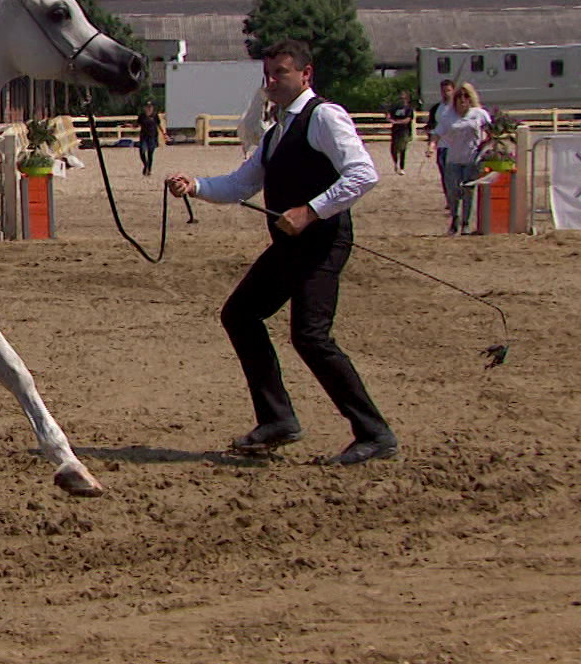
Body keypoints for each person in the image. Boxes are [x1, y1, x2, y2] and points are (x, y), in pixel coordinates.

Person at [164, 39, 397, 466]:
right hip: (289, 245)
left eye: (281, 73)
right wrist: (194, 186)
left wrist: (311, 211)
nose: (270, 81)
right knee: (240, 314)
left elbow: (364, 173)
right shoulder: (276, 134)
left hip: (323, 242)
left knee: (310, 335)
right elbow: (239, 185)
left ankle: (374, 432)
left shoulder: (324, 117)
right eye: (267, 74)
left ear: (305, 75)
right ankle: (277, 420)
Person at [438, 83, 492, 236]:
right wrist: (431, 145)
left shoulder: (479, 114)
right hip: (453, 158)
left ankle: (466, 223)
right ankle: (455, 218)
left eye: (466, 96)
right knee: (453, 191)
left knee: (468, 191)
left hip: (471, 158)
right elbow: (439, 131)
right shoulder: (448, 115)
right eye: (459, 96)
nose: (463, 100)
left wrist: (484, 147)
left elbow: (491, 132)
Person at [424, 79, 457, 203]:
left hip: (456, 146)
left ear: (453, 90)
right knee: (445, 175)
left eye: (448, 90)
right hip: (442, 146)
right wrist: (431, 145)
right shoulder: (437, 108)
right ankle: (449, 199)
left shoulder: (457, 107)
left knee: (455, 175)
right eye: (444, 91)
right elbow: (432, 126)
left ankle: (456, 198)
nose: (446, 93)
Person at [386, 90, 414, 175]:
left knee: (402, 148)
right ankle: (395, 163)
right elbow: (388, 115)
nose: (402, 99)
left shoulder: (409, 109)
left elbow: (407, 120)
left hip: (404, 131)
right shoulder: (395, 108)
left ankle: (402, 167)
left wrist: (397, 122)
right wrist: (390, 119)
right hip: (395, 130)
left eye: (404, 97)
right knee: (393, 149)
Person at [134, 101, 163, 177]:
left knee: (150, 154)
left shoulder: (155, 115)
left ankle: (149, 169)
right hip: (144, 137)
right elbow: (137, 124)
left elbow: (159, 125)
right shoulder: (142, 116)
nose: (149, 108)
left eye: (150, 106)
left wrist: (164, 133)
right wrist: (130, 125)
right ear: (145, 108)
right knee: (142, 152)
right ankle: (145, 165)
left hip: (152, 137)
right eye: (147, 106)